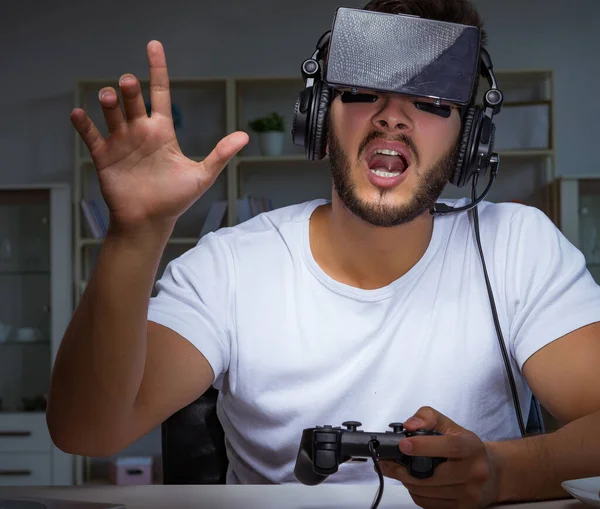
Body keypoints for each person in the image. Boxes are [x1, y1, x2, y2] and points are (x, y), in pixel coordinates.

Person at [47, 0, 600, 507]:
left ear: (469, 139)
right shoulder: (229, 267)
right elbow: (85, 430)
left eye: (430, 101)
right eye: (363, 92)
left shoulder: (515, 246)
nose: (392, 117)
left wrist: (503, 472)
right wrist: (135, 234)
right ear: (318, 116)